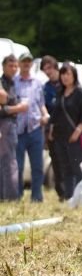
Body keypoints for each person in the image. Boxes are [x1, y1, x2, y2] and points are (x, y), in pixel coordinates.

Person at [48, 62, 82, 200]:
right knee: (65, 168)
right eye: (63, 74)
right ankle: (69, 197)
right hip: (59, 136)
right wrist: (51, 128)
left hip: (75, 137)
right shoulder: (60, 93)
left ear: (74, 76)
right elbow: (55, 114)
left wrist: (78, 131)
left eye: (68, 74)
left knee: (77, 167)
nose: (65, 77)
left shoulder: (80, 93)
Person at [15, 52, 50, 202]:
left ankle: (36, 196)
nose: (26, 64)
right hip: (18, 130)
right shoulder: (13, 82)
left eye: (29, 62)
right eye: (24, 62)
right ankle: (17, 195)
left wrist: (45, 115)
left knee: (37, 166)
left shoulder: (37, 83)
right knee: (19, 166)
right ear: (19, 63)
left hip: (35, 128)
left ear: (31, 64)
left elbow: (41, 103)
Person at [1, 55, 28, 201]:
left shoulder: (12, 83)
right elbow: (2, 109)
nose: (14, 68)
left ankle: (4, 196)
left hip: (10, 125)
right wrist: (19, 108)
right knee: (10, 162)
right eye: (10, 65)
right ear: (3, 66)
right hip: (5, 125)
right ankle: (11, 198)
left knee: (5, 161)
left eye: (15, 66)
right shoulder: (2, 84)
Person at [41, 55, 65, 200]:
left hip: (66, 130)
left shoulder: (67, 84)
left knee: (67, 160)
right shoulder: (46, 88)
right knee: (56, 161)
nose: (47, 71)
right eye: (44, 69)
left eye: (49, 68)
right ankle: (61, 193)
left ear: (55, 67)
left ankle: (72, 191)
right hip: (52, 130)